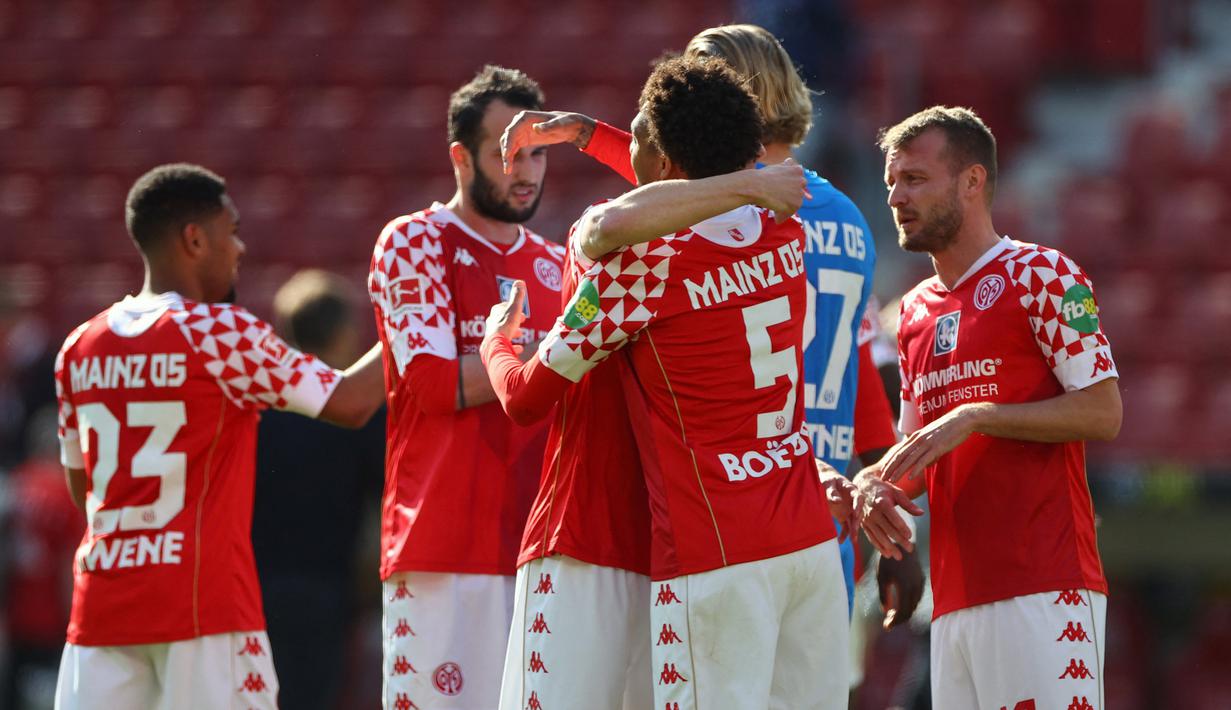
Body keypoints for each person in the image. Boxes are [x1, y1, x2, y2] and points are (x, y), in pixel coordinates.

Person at [483, 55, 851, 710]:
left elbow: (526, 393)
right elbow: (695, 187)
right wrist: (597, 137)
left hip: (714, 550)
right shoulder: (785, 234)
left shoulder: (640, 266)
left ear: (659, 164)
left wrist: (496, 343)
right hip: (805, 542)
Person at [52, 163, 385, 710]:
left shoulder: (79, 347)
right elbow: (350, 402)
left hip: (102, 611)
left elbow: (82, 487)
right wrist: (412, 324)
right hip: (203, 611)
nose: (240, 248)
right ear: (194, 239)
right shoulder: (218, 332)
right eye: (231, 231)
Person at [853, 106, 1122, 710]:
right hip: (950, 605)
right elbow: (917, 456)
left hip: (1045, 588)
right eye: (892, 182)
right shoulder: (915, 310)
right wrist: (875, 482)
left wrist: (981, 414)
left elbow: (1104, 412)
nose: (897, 196)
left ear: (972, 182)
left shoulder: (1044, 274)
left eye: (916, 179)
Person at [682, 22, 917, 626]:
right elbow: (858, 367)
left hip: (730, 518)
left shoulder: (714, 211)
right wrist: (889, 515)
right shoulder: (846, 217)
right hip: (827, 524)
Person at [366, 65, 565, 710]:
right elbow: (432, 384)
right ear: (460, 157)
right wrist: (551, 354)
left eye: (538, 152)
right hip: (442, 546)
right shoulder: (414, 241)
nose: (526, 170)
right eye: (508, 153)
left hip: (542, 547)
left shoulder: (559, 264)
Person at [251, 270, 385, 710]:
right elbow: (384, 500)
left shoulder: (258, 409)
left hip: (256, 588)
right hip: (329, 590)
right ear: (344, 331)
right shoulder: (358, 411)